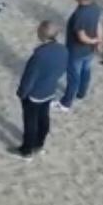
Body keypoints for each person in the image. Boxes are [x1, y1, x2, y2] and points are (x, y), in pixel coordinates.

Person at [15, 21, 68, 159]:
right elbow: (62, 69)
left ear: (41, 35)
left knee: (30, 122)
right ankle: (39, 144)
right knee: (44, 118)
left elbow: (29, 77)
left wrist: (22, 92)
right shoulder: (63, 50)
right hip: (50, 90)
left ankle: (27, 150)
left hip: (34, 93)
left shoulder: (39, 55)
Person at [55, 0, 103, 112]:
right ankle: (82, 93)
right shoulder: (95, 7)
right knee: (86, 71)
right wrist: (98, 41)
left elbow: (81, 37)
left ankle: (66, 103)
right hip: (89, 51)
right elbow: (98, 24)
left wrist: (93, 41)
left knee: (73, 77)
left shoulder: (79, 14)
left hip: (76, 51)